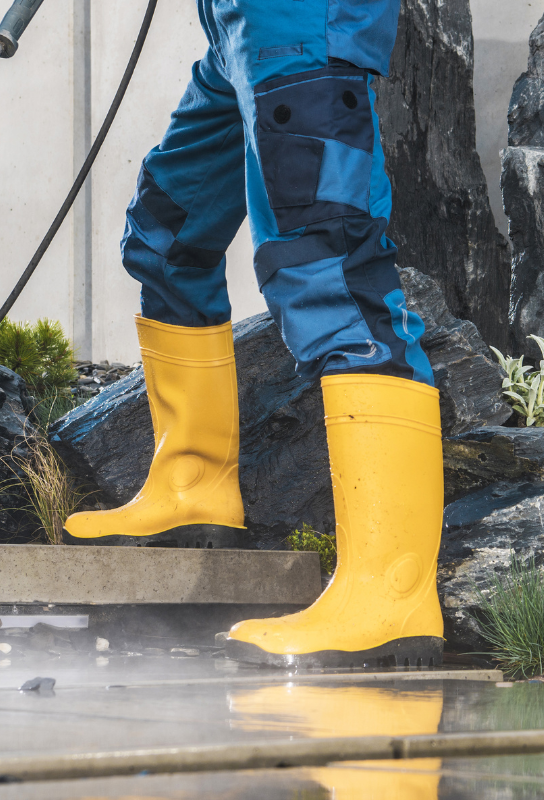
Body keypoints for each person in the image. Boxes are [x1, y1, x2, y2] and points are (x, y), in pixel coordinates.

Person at [63, 0, 444, 669]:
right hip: (233, 30)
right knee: (166, 234)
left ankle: (391, 594)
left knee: (328, 272)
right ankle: (191, 486)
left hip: (297, 24)